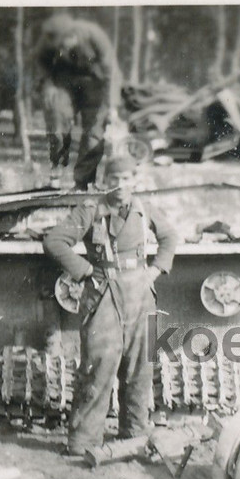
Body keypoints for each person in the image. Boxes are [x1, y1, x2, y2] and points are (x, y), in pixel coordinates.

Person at [43, 154, 180, 456]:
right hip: (103, 293)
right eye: (114, 180)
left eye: (126, 179)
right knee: (98, 366)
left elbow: (170, 237)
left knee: (140, 366)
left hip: (140, 293)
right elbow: (54, 241)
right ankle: (83, 441)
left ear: (135, 181)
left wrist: (155, 271)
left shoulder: (145, 210)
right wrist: (85, 271)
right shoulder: (90, 210)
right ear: (105, 181)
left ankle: (133, 434)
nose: (120, 186)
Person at [34, 14, 122, 190]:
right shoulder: (49, 38)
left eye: (65, 42)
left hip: (97, 81)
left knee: (95, 130)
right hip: (65, 79)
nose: (61, 47)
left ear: (73, 34)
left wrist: (112, 106)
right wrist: (48, 83)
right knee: (57, 118)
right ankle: (56, 172)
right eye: (58, 45)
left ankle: (83, 182)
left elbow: (111, 71)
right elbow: (41, 60)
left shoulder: (95, 35)